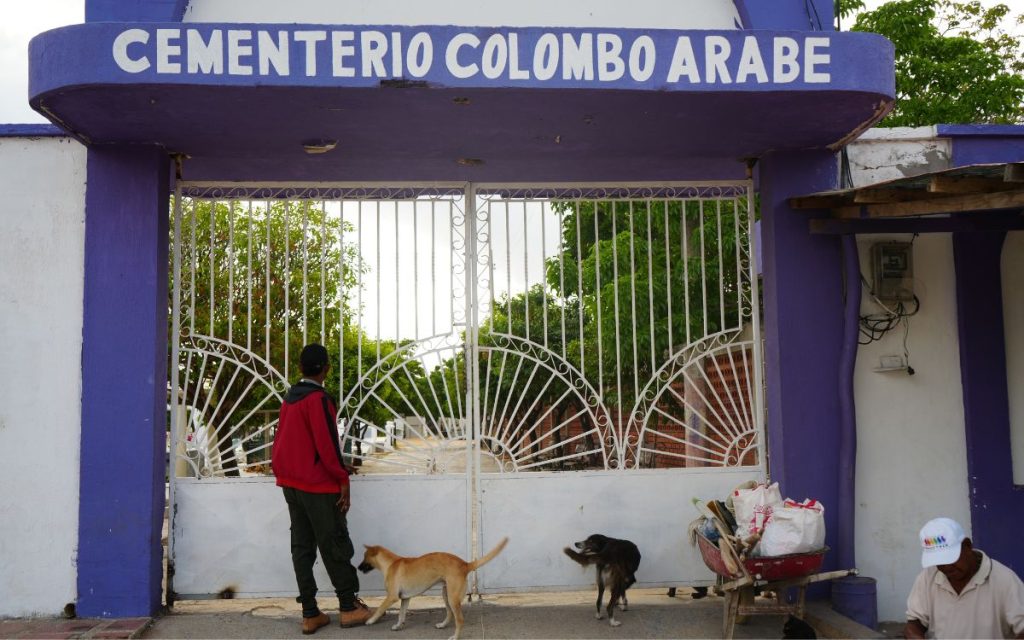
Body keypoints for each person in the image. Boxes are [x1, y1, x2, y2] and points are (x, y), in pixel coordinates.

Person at [271, 344, 371, 634]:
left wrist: (338, 465)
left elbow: (292, 442)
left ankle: (310, 613)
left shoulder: (290, 398)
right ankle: (349, 607)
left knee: (302, 547)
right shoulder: (318, 399)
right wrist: (342, 478)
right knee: (334, 542)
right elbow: (326, 443)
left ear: (300, 368)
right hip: (317, 485)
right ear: (326, 368)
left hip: (291, 483)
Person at [905, 517, 1024, 639]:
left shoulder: (1005, 580)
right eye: (939, 561)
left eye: (950, 559)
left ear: (967, 546)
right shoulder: (928, 577)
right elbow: (914, 623)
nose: (946, 567)